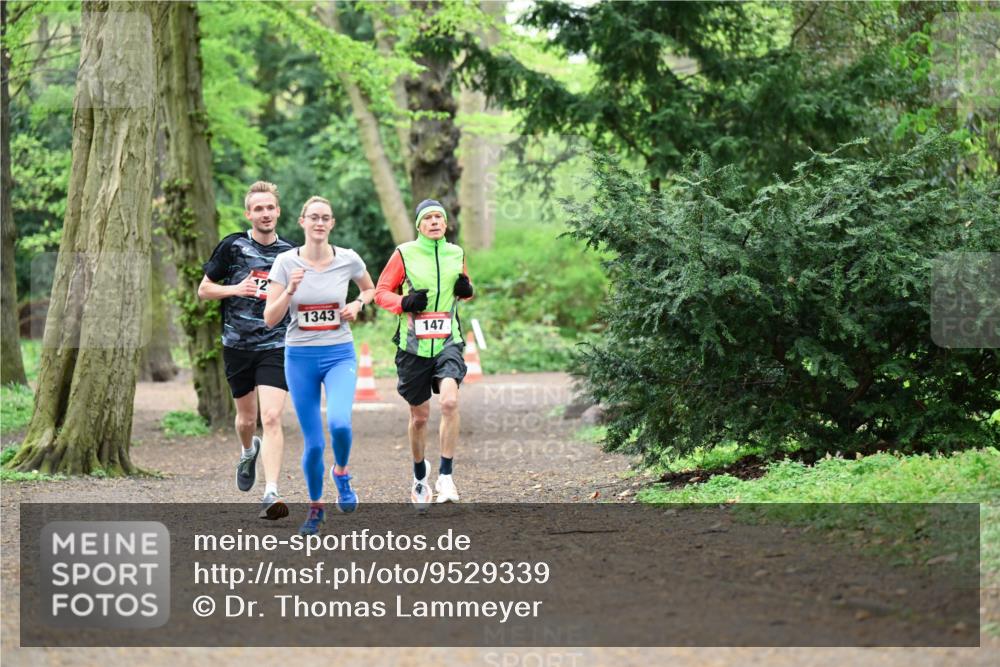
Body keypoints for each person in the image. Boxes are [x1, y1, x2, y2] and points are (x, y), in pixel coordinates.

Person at [264, 196, 375, 535]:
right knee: (313, 443)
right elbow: (270, 319)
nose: (319, 223)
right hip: (300, 358)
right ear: (302, 222)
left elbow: (370, 289)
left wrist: (357, 304)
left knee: (340, 423)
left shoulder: (347, 259)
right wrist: (290, 291)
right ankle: (315, 508)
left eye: (325, 217)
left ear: (332, 223)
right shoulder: (285, 262)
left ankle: (341, 472)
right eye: (313, 217)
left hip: (339, 353)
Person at [199, 181, 293, 520]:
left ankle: (271, 492)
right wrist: (237, 288)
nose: (265, 214)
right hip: (237, 344)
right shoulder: (232, 246)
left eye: (270, 208)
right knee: (247, 419)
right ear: (248, 214)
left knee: (270, 417)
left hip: (276, 344)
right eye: (258, 209)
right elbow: (204, 290)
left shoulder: (291, 253)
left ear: (278, 211)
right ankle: (246, 449)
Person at [375, 199, 474, 511]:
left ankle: (446, 476)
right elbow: (381, 293)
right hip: (413, 346)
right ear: (419, 225)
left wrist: (467, 288)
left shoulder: (456, 253)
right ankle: (420, 475)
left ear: (445, 224)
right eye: (428, 218)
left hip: (448, 340)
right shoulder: (404, 253)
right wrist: (404, 303)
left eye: (439, 217)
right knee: (419, 417)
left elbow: (462, 292)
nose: (434, 222)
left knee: (449, 402)